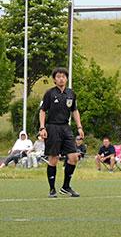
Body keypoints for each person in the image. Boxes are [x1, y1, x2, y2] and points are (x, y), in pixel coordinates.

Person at [39, 67, 83, 198]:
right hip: (52, 127)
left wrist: (79, 127)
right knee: (54, 159)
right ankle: (52, 189)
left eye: (63, 76)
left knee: (74, 157)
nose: (61, 78)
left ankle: (66, 187)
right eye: (58, 76)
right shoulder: (49, 93)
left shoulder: (71, 93)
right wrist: (42, 127)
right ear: (54, 79)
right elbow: (42, 110)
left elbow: (74, 110)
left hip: (66, 128)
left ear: (67, 78)